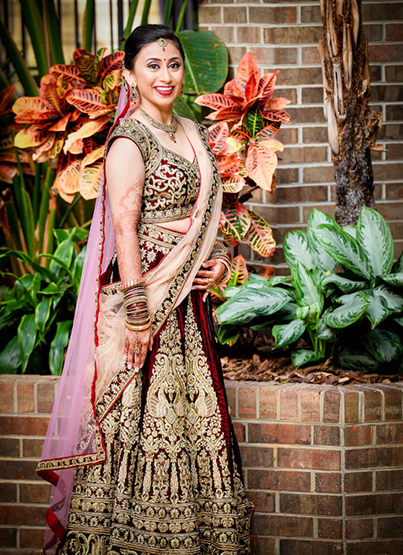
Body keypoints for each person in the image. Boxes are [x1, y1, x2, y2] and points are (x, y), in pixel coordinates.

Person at [37, 24, 254, 555]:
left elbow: (212, 222)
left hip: (189, 308)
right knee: (136, 423)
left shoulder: (195, 133)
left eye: (173, 64)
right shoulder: (129, 141)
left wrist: (224, 267)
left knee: (193, 423)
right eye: (152, 65)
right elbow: (126, 231)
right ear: (131, 74)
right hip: (146, 308)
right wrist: (137, 317)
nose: (165, 75)